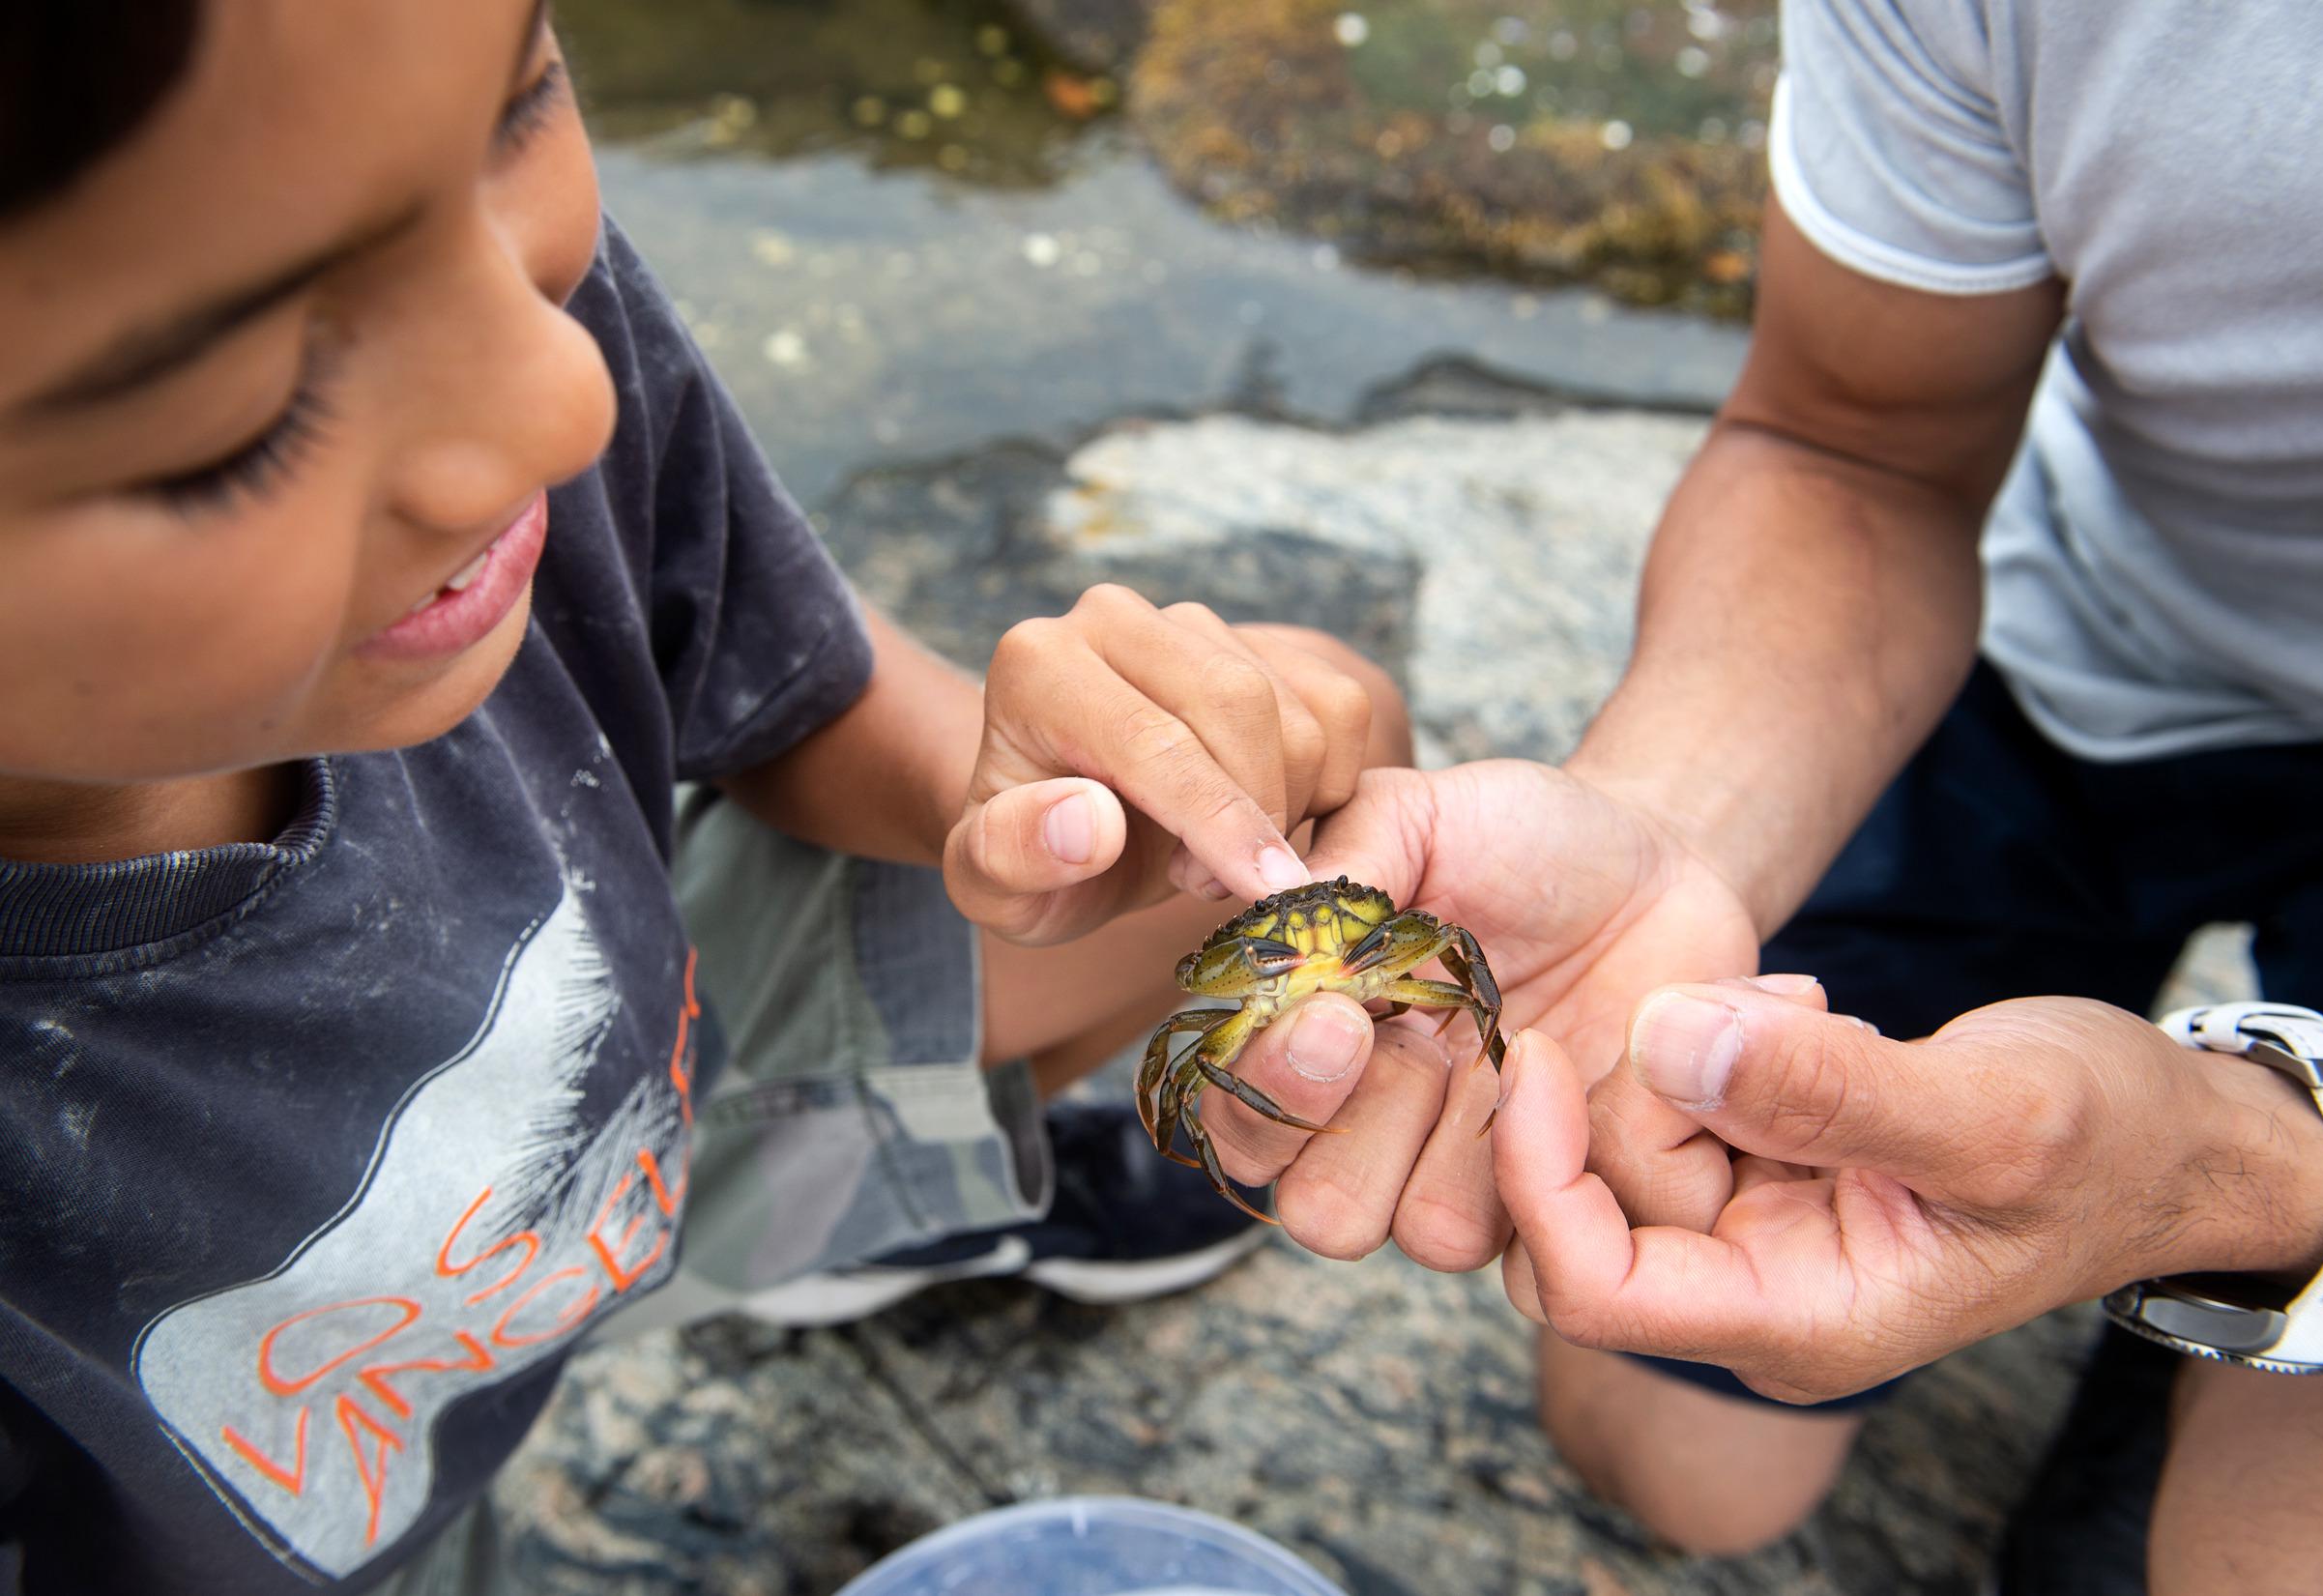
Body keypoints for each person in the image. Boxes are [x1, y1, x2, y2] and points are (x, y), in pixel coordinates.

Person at [0, 5, 1407, 1592]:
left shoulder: (513, 317)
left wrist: (1019, 778)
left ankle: (853, 1210)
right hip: (282, 1521)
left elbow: (798, 688)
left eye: (517, 110)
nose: (561, 405)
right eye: (241, 407)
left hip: (640, 1099)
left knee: (1295, 773)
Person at [1179, 1, 2323, 1590]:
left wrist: (2253, 1182)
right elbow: (1860, 441)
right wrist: (1663, 831)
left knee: (2287, 1564)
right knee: (1684, 1448)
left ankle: (2216, 1294)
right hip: (2103, 640)